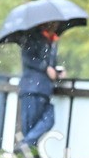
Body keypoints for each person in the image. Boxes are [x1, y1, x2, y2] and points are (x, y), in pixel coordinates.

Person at [17, 22, 65, 151]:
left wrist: (57, 72)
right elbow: (28, 59)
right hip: (32, 89)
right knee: (31, 126)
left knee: (47, 120)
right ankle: (28, 152)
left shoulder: (51, 42)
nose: (55, 26)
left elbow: (49, 64)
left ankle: (25, 146)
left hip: (42, 89)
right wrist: (46, 68)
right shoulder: (32, 38)